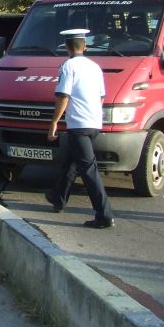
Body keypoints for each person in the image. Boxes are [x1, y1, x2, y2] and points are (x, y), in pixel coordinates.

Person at [45, 29, 115, 229]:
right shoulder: (95, 67)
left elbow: (63, 96)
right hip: (94, 124)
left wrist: (54, 122)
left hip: (78, 125)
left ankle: (104, 214)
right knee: (72, 162)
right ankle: (58, 198)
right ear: (85, 46)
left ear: (66, 47)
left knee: (89, 170)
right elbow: (102, 97)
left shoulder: (68, 66)